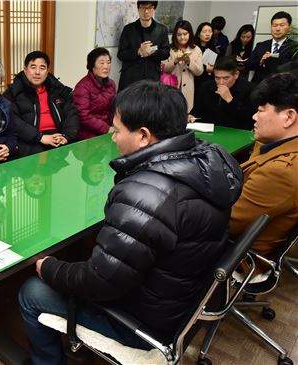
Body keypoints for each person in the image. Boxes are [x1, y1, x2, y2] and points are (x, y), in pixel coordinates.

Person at [19, 80, 244, 365]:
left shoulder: (145, 193)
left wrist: (48, 266)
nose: (112, 136)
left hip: (144, 322)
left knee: (32, 291)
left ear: (143, 136)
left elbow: (100, 282)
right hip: (180, 298)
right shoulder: (206, 162)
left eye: (117, 129)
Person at [230, 72, 298, 269]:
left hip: (236, 255)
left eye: (260, 110)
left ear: (289, 117)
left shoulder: (281, 172)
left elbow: (225, 221)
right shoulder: (276, 146)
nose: (254, 116)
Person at [3, 51, 79, 157]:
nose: (37, 72)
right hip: (30, 142)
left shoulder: (58, 90)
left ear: (47, 71)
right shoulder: (13, 92)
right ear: (25, 70)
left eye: (42, 68)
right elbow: (13, 121)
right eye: (33, 67)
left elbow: (72, 112)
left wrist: (67, 136)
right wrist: (40, 137)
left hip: (58, 137)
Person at [116, 1, 170, 91]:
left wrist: (152, 52)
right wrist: (139, 51)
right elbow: (121, 54)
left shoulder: (161, 30)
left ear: (154, 9)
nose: (146, 11)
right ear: (138, 9)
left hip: (152, 78)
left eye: (149, 8)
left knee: (150, 104)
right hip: (131, 78)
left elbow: (166, 52)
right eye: (143, 8)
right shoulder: (128, 29)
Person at [190, 57, 254, 130]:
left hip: (234, 133)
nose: (221, 82)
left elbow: (249, 121)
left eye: (226, 78)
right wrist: (191, 116)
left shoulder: (249, 89)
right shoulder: (206, 87)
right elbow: (197, 110)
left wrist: (230, 100)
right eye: (217, 78)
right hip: (209, 132)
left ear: (236, 74)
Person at [73, 47, 117, 140]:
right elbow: (83, 116)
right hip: (87, 135)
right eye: (102, 63)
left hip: (109, 131)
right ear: (92, 66)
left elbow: (114, 108)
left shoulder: (111, 84)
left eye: (108, 62)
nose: (106, 66)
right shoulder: (83, 87)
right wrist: (107, 129)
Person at [162, 20, 203, 112]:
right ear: (175, 35)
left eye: (185, 34)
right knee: (169, 112)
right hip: (171, 87)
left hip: (188, 89)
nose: (182, 37)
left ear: (190, 34)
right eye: (179, 34)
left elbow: (199, 71)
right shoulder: (169, 48)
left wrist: (189, 62)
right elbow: (163, 68)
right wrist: (175, 61)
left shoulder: (196, 49)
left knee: (184, 113)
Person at [246, 11, 296, 84]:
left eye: (282, 25)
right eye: (275, 25)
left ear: (289, 27)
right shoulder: (261, 45)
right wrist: (261, 61)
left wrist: (272, 61)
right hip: (258, 87)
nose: (277, 29)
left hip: (282, 89)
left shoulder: (293, 47)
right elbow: (248, 65)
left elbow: (293, 69)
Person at [194, 22, 217, 104]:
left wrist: (212, 70)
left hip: (208, 80)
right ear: (198, 34)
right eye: (204, 32)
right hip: (195, 80)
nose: (207, 34)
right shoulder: (194, 48)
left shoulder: (213, 48)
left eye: (210, 31)